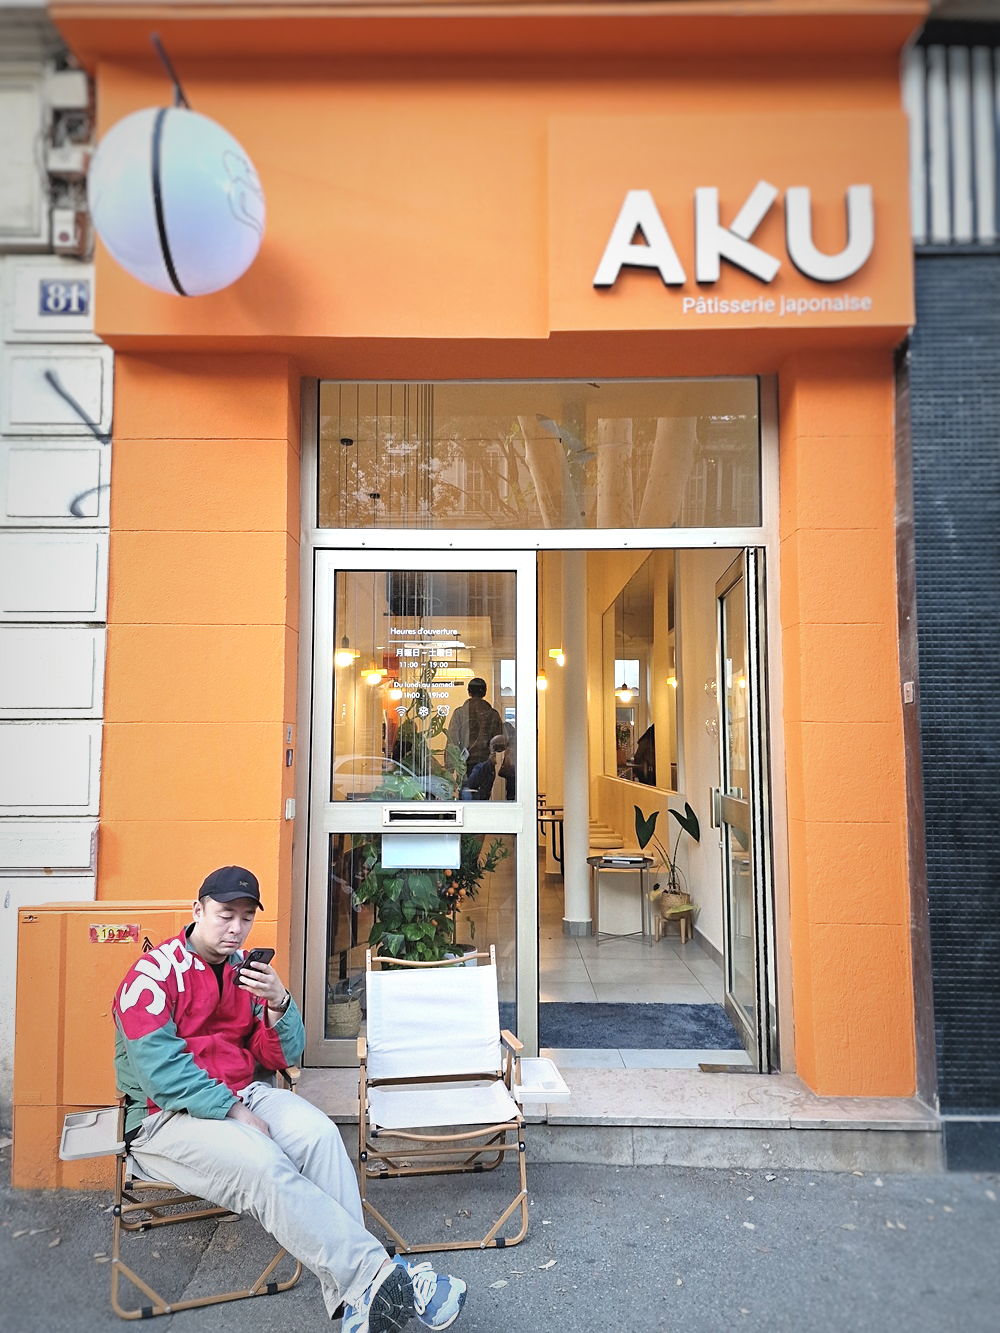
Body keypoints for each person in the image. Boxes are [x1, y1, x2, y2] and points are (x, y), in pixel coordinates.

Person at [112, 865, 467, 1333]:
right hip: (164, 1118)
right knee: (262, 1162)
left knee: (320, 1135)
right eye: (224, 915)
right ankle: (378, 1275)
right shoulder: (151, 976)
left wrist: (280, 1002)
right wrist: (234, 1111)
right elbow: (162, 1076)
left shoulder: (246, 973)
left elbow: (282, 1053)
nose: (236, 928)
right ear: (197, 910)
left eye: (245, 917)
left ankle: (355, 1305)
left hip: (242, 1092)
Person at [447, 679, 502, 770]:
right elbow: (499, 743)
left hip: (464, 762)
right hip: (486, 761)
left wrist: (450, 766)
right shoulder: (492, 714)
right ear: (484, 692)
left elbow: (452, 739)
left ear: (469, 691)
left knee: (466, 784)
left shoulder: (459, 713)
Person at [460, 735, 507, 801]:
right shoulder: (484, 766)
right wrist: (489, 763)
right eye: (495, 747)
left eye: (502, 747)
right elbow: (471, 783)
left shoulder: (515, 762)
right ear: (490, 749)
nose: (498, 751)